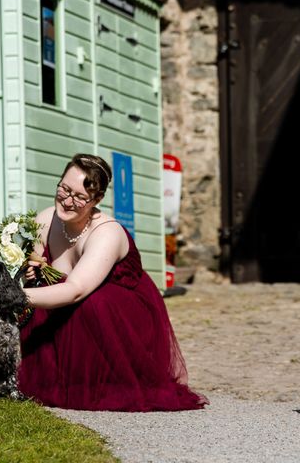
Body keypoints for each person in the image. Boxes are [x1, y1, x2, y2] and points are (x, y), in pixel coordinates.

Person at [18, 154, 208, 411]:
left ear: (96, 200)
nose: (68, 200)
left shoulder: (106, 233)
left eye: (80, 196)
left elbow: (75, 290)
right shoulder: (45, 220)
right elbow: (33, 265)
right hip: (63, 307)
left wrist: (14, 297)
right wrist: (30, 270)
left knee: (90, 302)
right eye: (64, 188)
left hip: (116, 320)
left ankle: (92, 379)